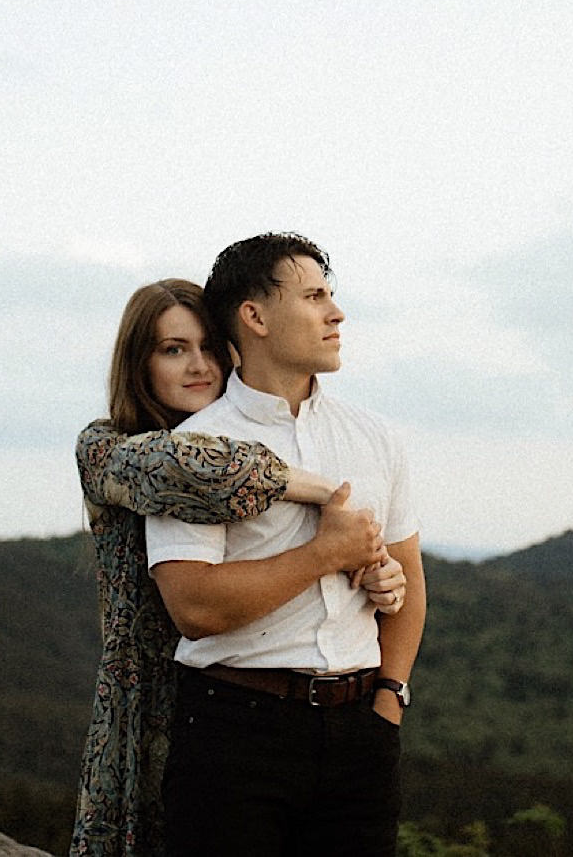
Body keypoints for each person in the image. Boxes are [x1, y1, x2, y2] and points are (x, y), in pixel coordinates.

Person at [70, 278, 403, 857]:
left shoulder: (276, 432)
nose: (198, 365)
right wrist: (324, 494)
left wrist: (374, 565)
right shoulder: (112, 449)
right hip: (151, 695)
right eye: (173, 349)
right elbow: (193, 464)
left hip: (254, 708)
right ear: (137, 363)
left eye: (209, 347)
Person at [146, 234, 426, 857]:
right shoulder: (194, 450)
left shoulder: (378, 439)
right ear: (255, 316)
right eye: (315, 296)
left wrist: (390, 700)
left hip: (360, 734)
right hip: (234, 730)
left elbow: (410, 586)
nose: (336, 313)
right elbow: (195, 607)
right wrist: (325, 554)